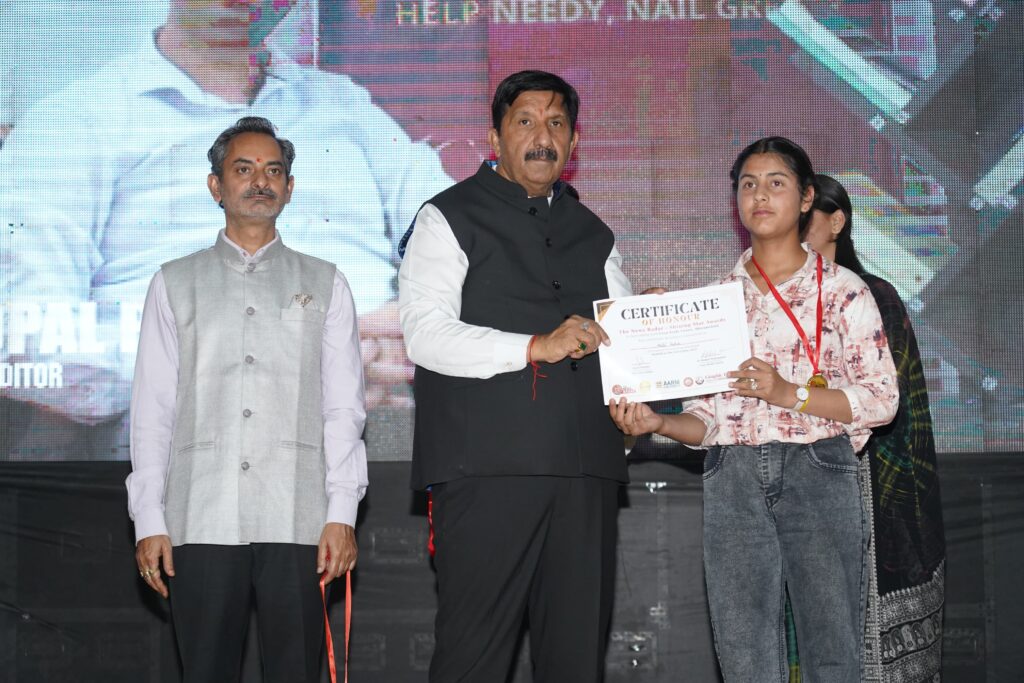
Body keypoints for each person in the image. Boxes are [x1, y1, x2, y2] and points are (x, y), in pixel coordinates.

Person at [0, 0, 451, 432]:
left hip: (391, 402)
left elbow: (468, 241)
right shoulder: (74, 122)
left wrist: (403, 328)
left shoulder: (345, 107)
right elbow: (28, 336)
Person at [610, 137, 899, 682]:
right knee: (743, 653)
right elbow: (707, 421)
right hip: (733, 477)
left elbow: (883, 400)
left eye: (775, 183)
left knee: (832, 649)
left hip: (820, 467)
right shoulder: (715, 303)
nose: (760, 195)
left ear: (807, 197)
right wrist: (657, 422)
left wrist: (791, 394)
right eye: (748, 184)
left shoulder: (845, 291)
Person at [398, 70, 632, 681]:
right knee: (472, 660)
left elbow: (624, 345)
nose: (541, 137)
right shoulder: (447, 216)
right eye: (524, 121)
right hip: (486, 470)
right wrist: (535, 346)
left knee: (575, 662)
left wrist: (649, 325)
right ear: (495, 137)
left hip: (586, 474)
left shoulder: (596, 233)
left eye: (556, 124)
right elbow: (425, 335)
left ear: (574, 143)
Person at [126, 116, 368, 681]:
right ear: (216, 186)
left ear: (290, 187)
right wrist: (149, 518)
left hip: (300, 515)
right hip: (200, 513)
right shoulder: (173, 282)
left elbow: (344, 409)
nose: (260, 181)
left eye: (273, 171)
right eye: (243, 169)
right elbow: (152, 410)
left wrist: (341, 514)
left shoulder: (327, 282)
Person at [804, 173, 945, 681]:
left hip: (869, 480)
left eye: (805, 218)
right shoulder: (777, 300)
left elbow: (895, 405)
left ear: (836, 221)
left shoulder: (874, 296)